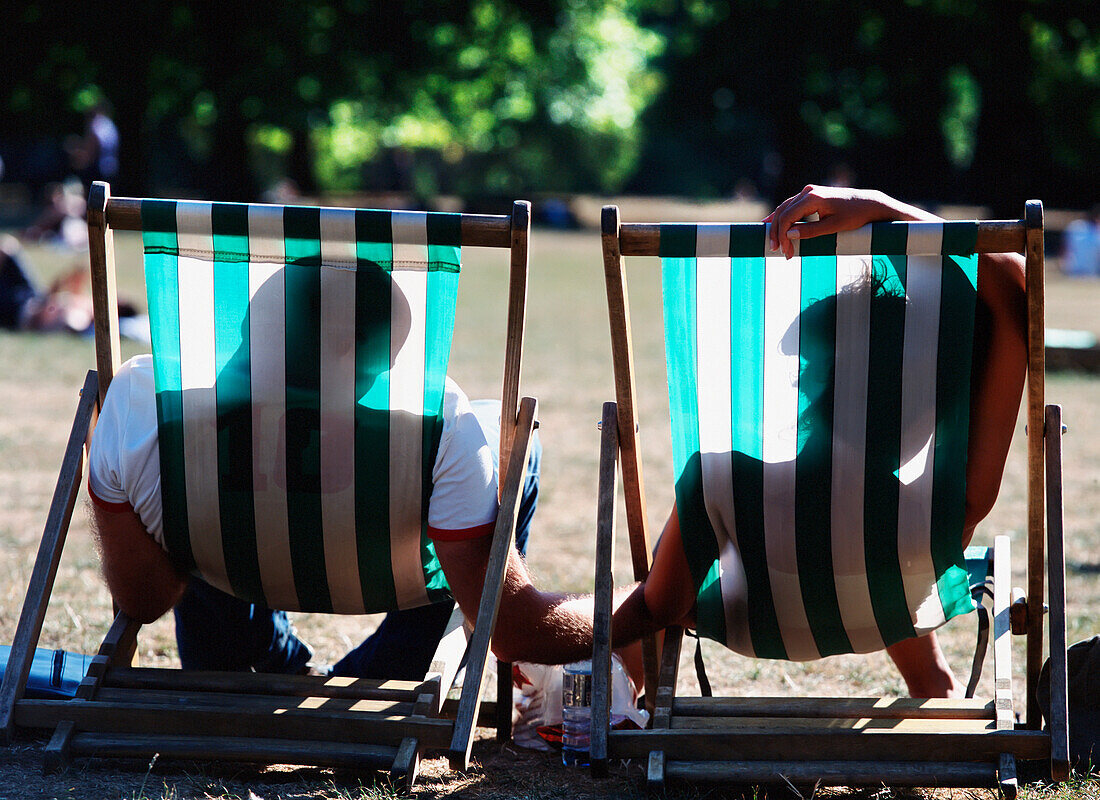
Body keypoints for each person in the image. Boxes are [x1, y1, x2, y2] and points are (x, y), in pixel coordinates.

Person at [606, 185, 1028, 698]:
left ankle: (643, 694)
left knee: (652, 596)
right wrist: (881, 208)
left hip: (758, 616)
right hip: (894, 598)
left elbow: (661, 607)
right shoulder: (949, 506)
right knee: (867, 536)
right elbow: (1014, 281)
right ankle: (932, 683)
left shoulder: (724, 484)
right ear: (933, 407)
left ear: (807, 374)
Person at [87, 267, 600, 676]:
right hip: (398, 623)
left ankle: (253, 660)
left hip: (227, 647)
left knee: (203, 485)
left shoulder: (143, 404)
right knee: (514, 444)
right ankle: (391, 671)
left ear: (248, 323)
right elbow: (512, 631)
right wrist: (647, 607)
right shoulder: (439, 428)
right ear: (377, 370)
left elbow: (143, 600)